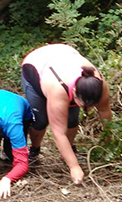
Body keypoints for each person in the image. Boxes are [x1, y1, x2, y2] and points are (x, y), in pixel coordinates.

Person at [21, 43, 111, 185]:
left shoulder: (99, 84)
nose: (89, 109)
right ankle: (34, 150)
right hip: (36, 65)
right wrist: (74, 167)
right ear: (74, 92)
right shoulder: (58, 89)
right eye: (84, 105)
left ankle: (69, 151)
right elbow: (58, 133)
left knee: (72, 120)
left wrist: (109, 144)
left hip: (64, 57)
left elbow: (105, 112)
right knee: (41, 120)